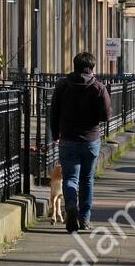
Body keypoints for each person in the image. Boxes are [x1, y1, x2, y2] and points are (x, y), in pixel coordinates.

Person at [48, 52, 112, 233]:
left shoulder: (62, 86)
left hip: (68, 139)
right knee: (87, 179)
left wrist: (55, 134)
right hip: (91, 139)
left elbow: (54, 111)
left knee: (70, 178)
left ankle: (70, 205)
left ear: (74, 66)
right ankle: (84, 218)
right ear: (92, 67)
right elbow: (107, 115)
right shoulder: (98, 87)